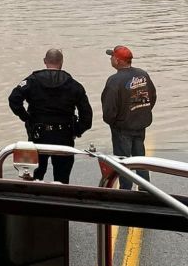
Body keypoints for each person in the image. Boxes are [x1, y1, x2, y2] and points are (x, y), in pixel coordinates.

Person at [8, 49, 92, 184]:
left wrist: (26, 117)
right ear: (62, 62)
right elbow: (87, 115)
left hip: (38, 134)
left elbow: (14, 99)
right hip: (64, 135)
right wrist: (77, 130)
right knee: (62, 178)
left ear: (45, 61)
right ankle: (61, 201)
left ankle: (36, 201)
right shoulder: (74, 85)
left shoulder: (32, 81)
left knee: (35, 176)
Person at [102, 45, 157, 190]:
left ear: (118, 61)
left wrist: (113, 122)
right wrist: (142, 113)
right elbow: (152, 97)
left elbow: (109, 108)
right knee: (141, 160)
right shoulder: (143, 75)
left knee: (124, 163)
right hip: (140, 125)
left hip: (122, 128)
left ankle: (125, 192)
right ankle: (146, 189)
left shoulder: (114, 80)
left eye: (112, 56)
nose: (111, 59)